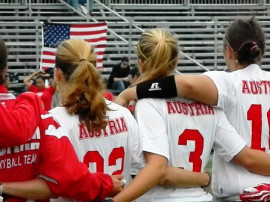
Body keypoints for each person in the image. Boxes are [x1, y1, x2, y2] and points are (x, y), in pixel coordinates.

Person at [115, 17, 270, 200]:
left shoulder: (224, 84)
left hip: (232, 193)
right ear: (176, 62)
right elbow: (245, 155)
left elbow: (158, 170)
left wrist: (129, 93)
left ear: (228, 51)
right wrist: (203, 178)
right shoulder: (211, 108)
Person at [0, 38, 124, 201]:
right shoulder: (42, 115)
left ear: (57, 74)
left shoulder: (51, 115)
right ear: (5, 70)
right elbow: (65, 179)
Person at [47, 38, 141, 201]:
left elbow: (51, 184)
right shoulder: (124, 114)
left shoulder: (52, 120)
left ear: (57, 74)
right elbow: (142, 170)